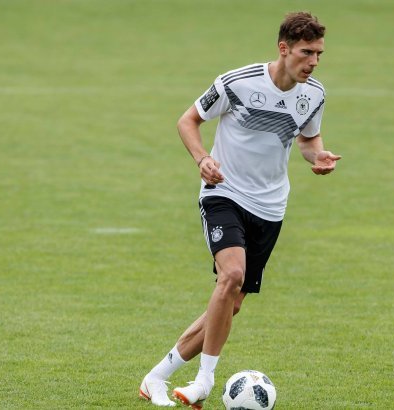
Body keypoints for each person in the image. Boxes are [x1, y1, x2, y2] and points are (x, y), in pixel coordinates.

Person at [139, 11, 341, 408]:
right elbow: (188, 120)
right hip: (224, 193)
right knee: (230, 276)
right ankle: (204, 381)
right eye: (306, 52)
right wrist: (201, 159)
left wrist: (318, 157)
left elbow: (306, 140)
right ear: (283, 49)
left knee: (230, 302)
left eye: (318, 53)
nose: (313, 61)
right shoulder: (237, 83)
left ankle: (156, 377)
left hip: (271, 206)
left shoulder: (313, 94)